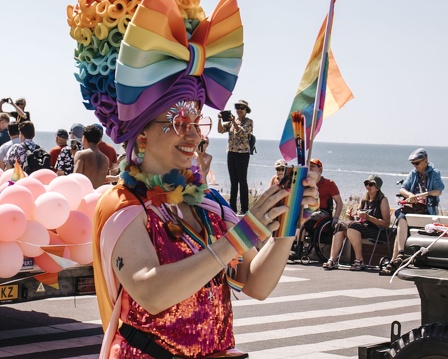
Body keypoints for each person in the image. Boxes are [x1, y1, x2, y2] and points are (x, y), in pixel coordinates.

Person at [88, 1, 319, 358]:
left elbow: (256, 284)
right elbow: (151, 293)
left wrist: (285, 226)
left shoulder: (209, 205)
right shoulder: (123, 205)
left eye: (198, 124)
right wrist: (243, 233)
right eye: (180, 123)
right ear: (143, 133)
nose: (194, 137)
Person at [380, 148, 445, 276]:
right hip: (412, 208)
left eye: (417, 163)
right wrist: (411, 195)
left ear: (425, 161)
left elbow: (439, 190)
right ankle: (400, 255)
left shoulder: (434, 173)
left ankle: (396, 259)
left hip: (427, 209)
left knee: (402, 226)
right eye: (413, 163)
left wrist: (424, 195)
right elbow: (403, 189)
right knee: (401, 219)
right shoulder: (413, 173)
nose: (414, 166)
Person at [323, 175, 391, 271]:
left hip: (377, 230)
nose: (368, 186)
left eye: (371, 184)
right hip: (362, 228)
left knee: (352, 226)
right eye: (366, 184)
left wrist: (368, 217)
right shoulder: (364, 200)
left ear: (377, 188)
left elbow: (386, 223)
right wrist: (350, 215)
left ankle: (360, 260)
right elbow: (357, 218)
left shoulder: (383, 200)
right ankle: (332, 260)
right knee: (340, 225)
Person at [289, 158, 343, 261]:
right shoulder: (305, 182)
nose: (310, 168)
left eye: (313, 166)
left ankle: (298, 250)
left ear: (320, 169)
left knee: (305, 219)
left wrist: (336, 217)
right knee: (293, 217)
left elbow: (339, 202)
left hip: (322, 212)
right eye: (309, 166)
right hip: (308, 209)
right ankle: (290, 245)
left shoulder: (329, 184)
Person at [218, 99, 253, 214]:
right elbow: (220, 130)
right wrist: (219, 119)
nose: (239, 110)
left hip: (242, 154)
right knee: (233, 182)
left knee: (242, 181)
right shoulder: (232, 121)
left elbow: (241, 132)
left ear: (246, 110)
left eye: (242, 108)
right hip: (231, 153)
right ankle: (232, 208)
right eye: (237, 107)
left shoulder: (249, 122)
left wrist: (233, 122)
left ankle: (244, 208)